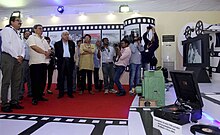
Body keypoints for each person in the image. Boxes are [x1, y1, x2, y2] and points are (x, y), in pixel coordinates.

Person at [1, 15, 25, 112]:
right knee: (6, 81)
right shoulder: (6, 30)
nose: (20, 23)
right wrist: (17, 56)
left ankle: (14, 101)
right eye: (17, 21)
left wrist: (22, 56)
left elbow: (23, 47)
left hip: (18, 58)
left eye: (20, 21)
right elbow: (6, 45)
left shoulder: (19, 34)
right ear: (11, 22)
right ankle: (5, 103)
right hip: (8, 57)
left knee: (16, 81)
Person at [27, 24, 51, 105]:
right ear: (34, 29)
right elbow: (34, 47)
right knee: (35, 81)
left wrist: (48, 52)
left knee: (42, 80)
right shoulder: (31, 37)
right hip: (35, 63)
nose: (41, 30)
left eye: (42, 29)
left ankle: (40, 95)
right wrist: (44, 52)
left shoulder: (43, 39)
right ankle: (35, 97)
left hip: (44, 62)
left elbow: (49, 48)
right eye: (40, 29)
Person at [54, 31, 75, 99]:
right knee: (61, 78)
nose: (67, 36)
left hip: (69, 61)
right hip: (61, 61)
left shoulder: (72, 43)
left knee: (70, 78)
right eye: (65, 35)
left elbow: (73, 52)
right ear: (62, 36)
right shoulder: (57, 44)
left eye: (68, 35)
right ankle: (61, 93)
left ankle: (70, 92)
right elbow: (56, 53)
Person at [19, 30, 32, 100]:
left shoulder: (32, 42)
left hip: (32, 61)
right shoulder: (21, 41)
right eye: (26, 34)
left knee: (30, 78)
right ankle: (21, 93)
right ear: (23, 35)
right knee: (22, 78)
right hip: (24, 61)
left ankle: (30, 92)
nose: (27, 35)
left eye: (28, 34)